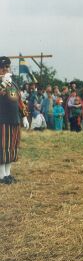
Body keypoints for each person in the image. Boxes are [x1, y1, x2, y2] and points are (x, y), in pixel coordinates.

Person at [0, 56, 30, 184]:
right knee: (3, 147)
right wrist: (3, 83)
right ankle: (1, 176)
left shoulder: (13, 83)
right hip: (2, 120)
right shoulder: (3, 82)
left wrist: (24, 116)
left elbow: (20, 101)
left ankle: (8, 174)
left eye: (7, 67)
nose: (6, 69)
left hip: (14, 119)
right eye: (3, 67)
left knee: (12, 147)